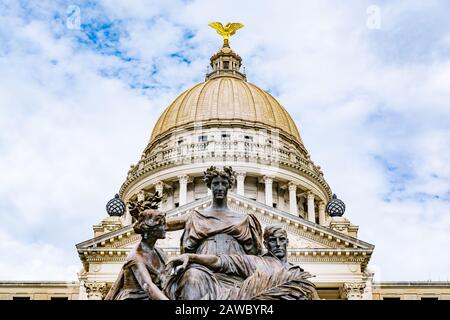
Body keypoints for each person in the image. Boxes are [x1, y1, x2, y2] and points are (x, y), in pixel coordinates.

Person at [164, 166, 263, 300]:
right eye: (215, 184)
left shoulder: (245, 219)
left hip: (235, 271)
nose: (220, 187)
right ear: (209, 186)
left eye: (224, 183)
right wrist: (148, 219)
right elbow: (161, 225)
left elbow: (256, 257)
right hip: (202, 269)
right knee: (191, 277)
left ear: (229, 186)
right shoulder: (196, 216)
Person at [166, 225, 319, 300]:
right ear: (266, 244)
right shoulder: (256, 262)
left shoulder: (297, 273)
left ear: (287, 242)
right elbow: (220, 261)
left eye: (281, 240)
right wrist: (191, 257)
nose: (278, 244)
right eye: (273, 240)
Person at [105, 193, 169, 300]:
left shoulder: (159, 252)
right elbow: (148, 286)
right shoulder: (136, 257)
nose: (167, 227)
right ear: (151, 229)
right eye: (162, 224)